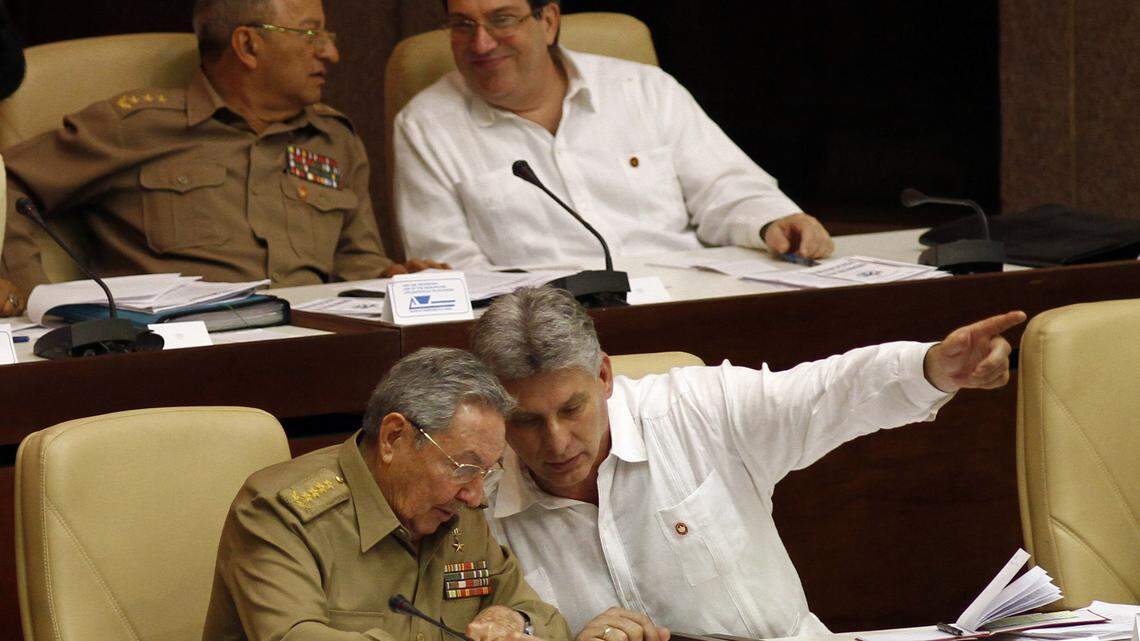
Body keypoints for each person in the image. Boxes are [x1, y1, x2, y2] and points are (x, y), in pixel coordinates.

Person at [470, 286, 1025, 640]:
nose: (557, 441)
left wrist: (930, 367)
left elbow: (822, 393)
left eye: (572, 409)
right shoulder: (475, 499)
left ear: (605, 377)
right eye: (525, 421)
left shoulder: (697, 409)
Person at [0, 0, 443, 300]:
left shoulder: (334, 139)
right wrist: (31, 291)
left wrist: (392, 278)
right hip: (182, 357)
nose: (330, 53)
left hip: (312, 351)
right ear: (248, 45)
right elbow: (9, 180)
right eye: (310, 34)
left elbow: (354, 259)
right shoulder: (137, 127)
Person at [394, 0, 834, 270]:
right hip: (543, 344)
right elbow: (452, 272)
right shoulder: (426, 125)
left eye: (502, 20)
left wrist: (775, 221)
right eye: (462, 25)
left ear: (547, 21)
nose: (481, 44)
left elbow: (725, 187)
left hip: (684, 299)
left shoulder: (645, 89)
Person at [202, 347, 572, 641]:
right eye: (463, 467)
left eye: (487, 472)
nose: (475, 496)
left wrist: (513, 621)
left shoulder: (459, 514)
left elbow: (545, 619)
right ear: (394, 437)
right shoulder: (279, 515)